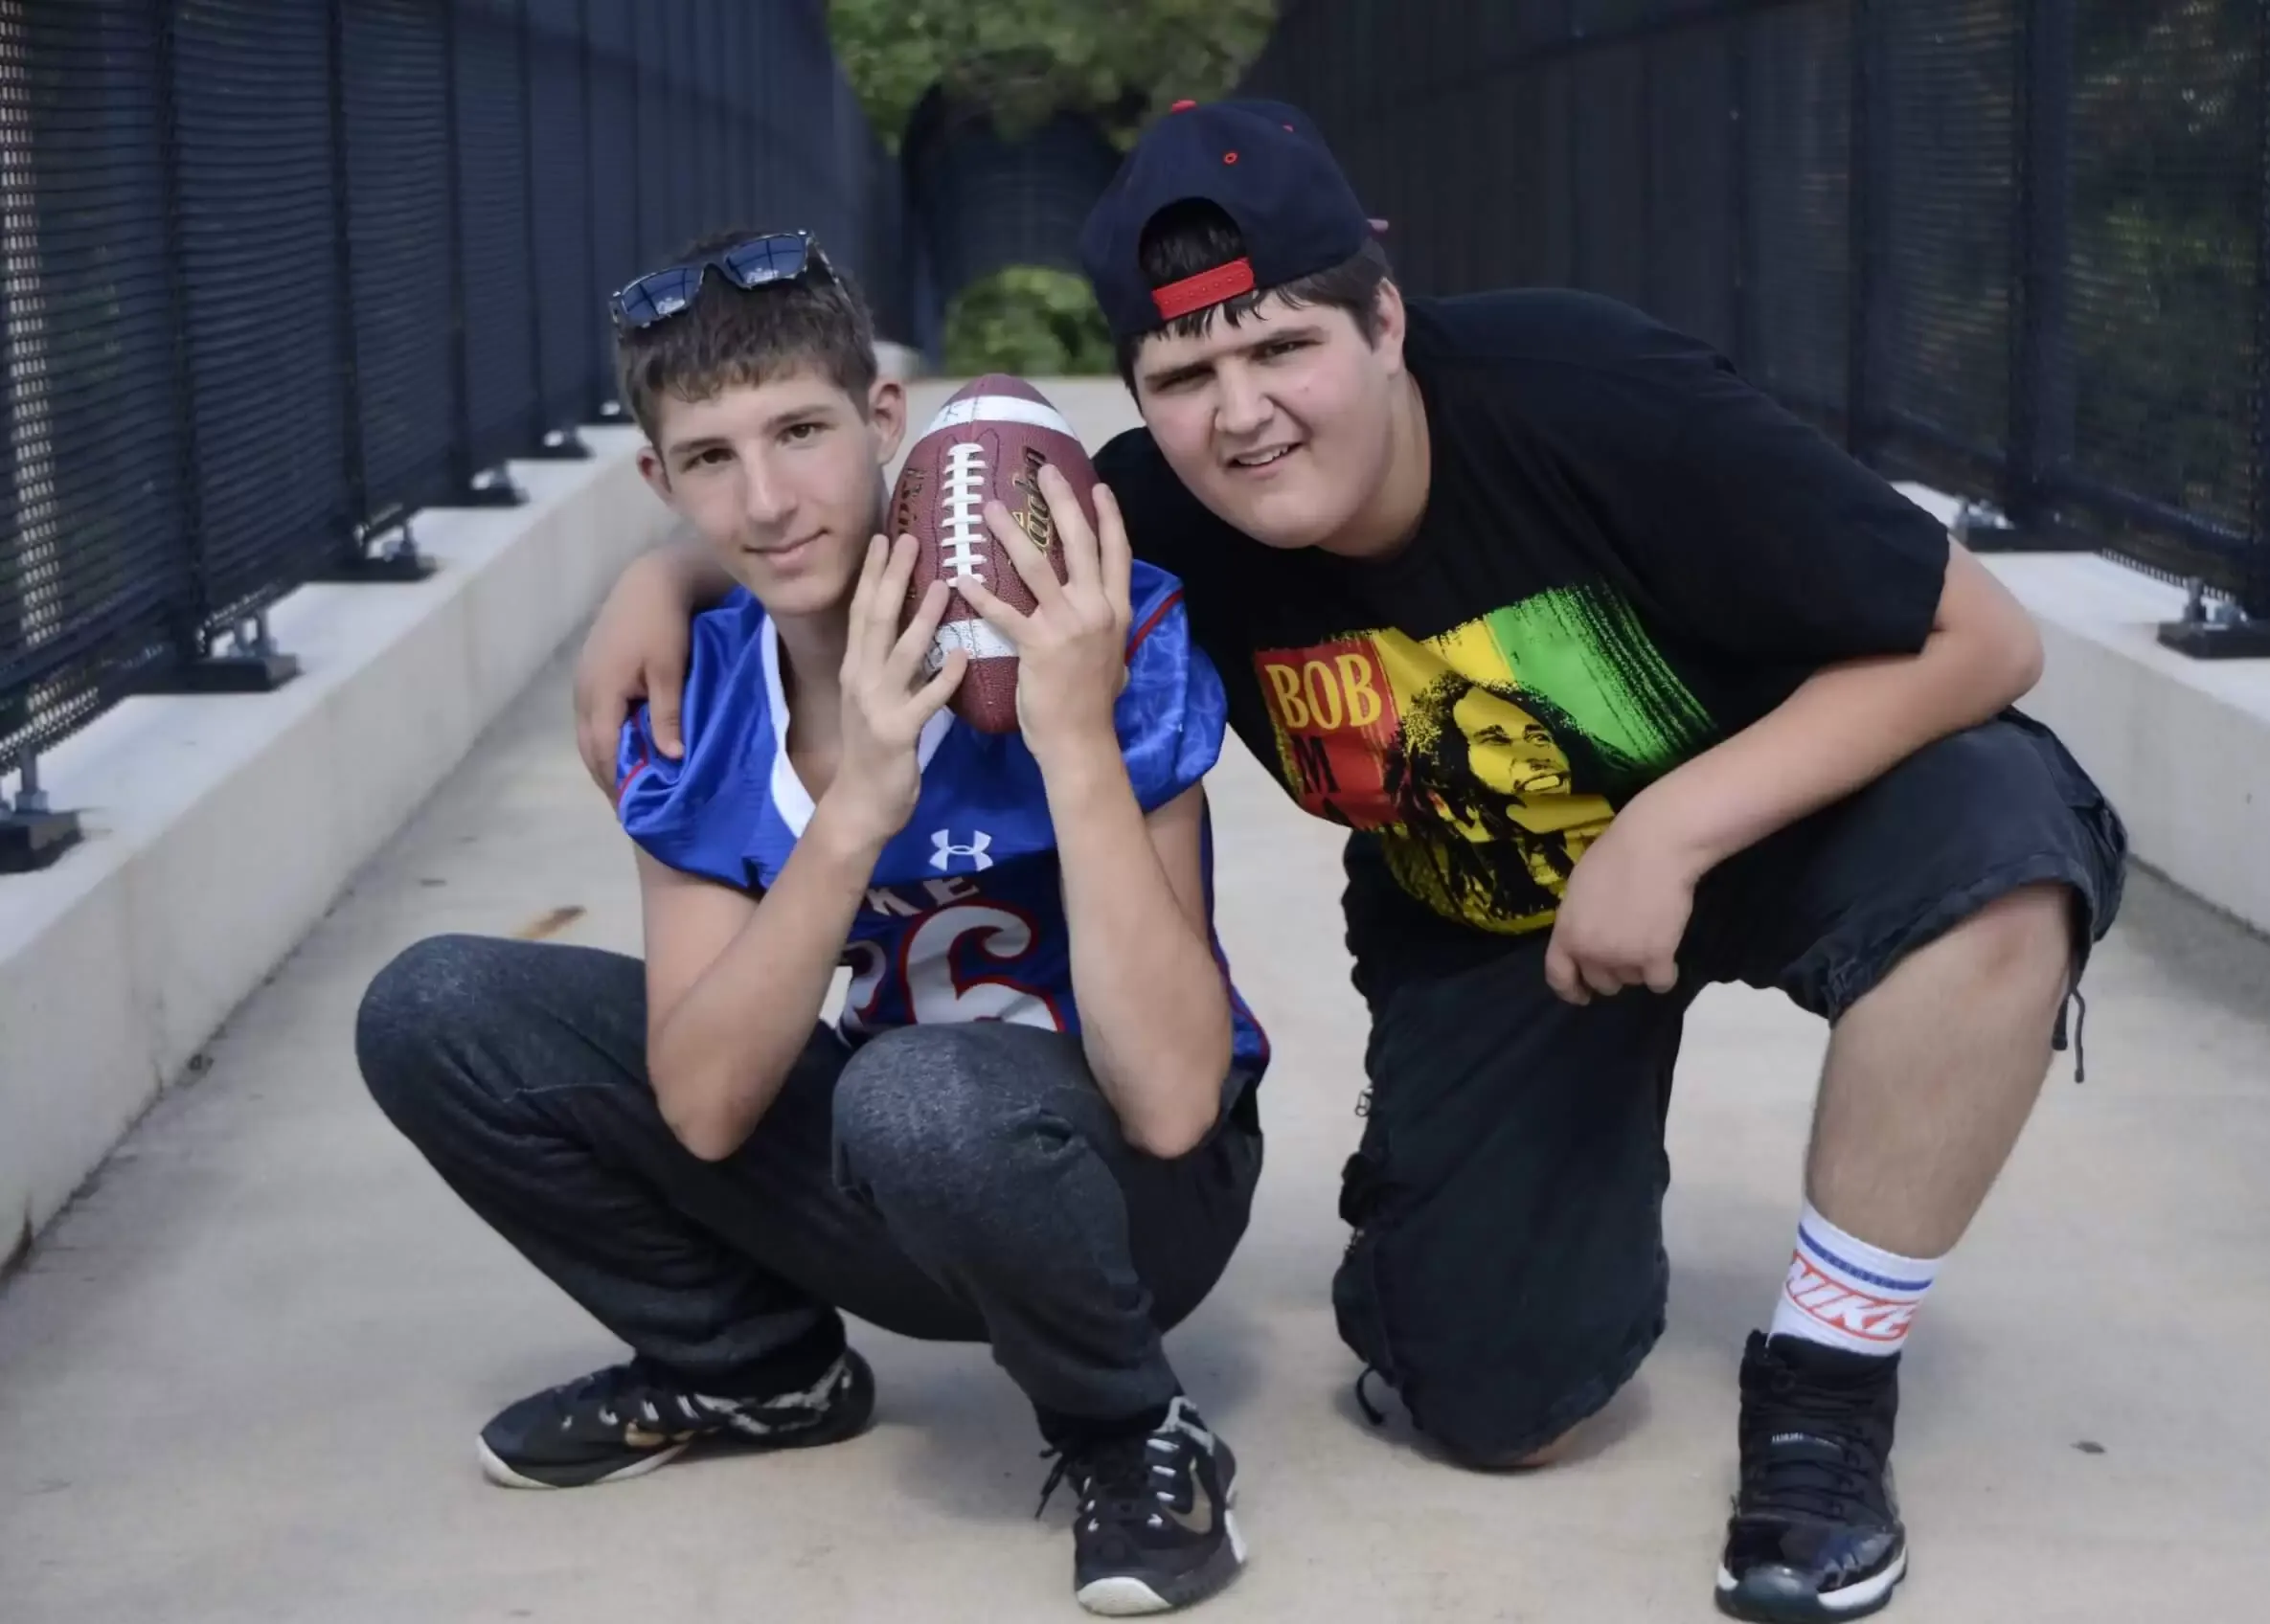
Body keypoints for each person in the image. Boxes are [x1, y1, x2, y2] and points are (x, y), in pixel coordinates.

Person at [571, 103, 2128, 1623]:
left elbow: (1983, 638)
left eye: (1283, 346)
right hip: (1502, 921)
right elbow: (865, 519)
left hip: (1773, 816)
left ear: (1385, 318)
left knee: (1997, 848)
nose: (1241, 410)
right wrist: (671, 570)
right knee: (1494, 1404)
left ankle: (1827, 1384)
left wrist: (1674, 824)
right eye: (1185, 373)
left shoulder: (1590, 390)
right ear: (1141, 395)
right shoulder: (1155, 516)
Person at [356, 227, 1271, 1617]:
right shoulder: (701, 699)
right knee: (435, 1009)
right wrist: (853, 818)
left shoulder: (1094, 635)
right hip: (869, 1178)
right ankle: (755, 1372)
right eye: (711, 460)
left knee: (913, 1090)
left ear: (882, 424)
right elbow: (709, 1107)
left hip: (1128, 1202)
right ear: (660, 483)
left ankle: (1132, 1427)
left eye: (800, 433)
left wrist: (1073, 742)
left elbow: (1173, 1101)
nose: (770, 501)